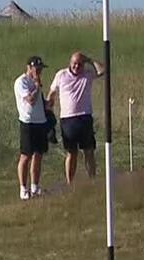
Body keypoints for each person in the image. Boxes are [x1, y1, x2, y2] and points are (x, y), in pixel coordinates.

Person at [48, 51, 105, 184]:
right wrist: (49, 111)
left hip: (84, 117)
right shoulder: (61, 75)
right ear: (70, 63)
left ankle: (92, 181)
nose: (77, 67)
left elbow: (102, 70)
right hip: (68, 119)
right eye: (74, 63)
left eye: (80, 64)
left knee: (89, 151)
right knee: (71, 152)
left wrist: (89, 60)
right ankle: (70, 183)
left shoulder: (87, 74)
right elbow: (52, 93)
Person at [14, 56, 49, 200]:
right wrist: (37, 85)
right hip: (28, 122)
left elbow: (39, 101)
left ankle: (35, 186)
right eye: (37, 69)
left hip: (40, 121)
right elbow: (30, 100)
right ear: (29, 67)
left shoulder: (36, 82)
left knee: (38, 154)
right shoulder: (21, 82)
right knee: (26, 155)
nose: (39, 71)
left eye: (40, 69)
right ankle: (23, 188)